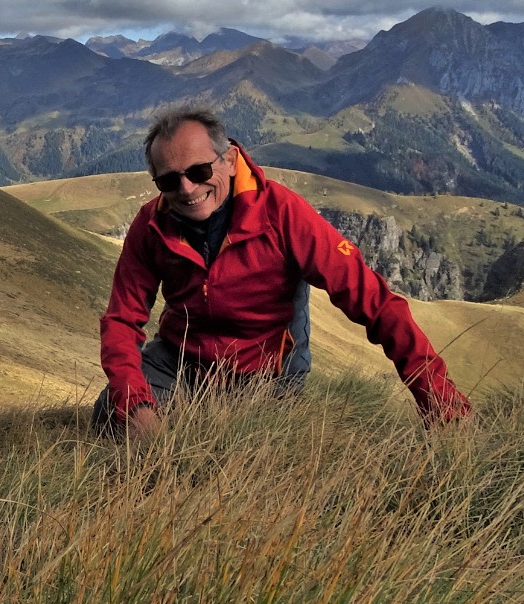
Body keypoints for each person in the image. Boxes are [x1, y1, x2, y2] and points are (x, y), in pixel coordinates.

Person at [93, 107, 472, 435]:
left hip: (267, 373)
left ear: (229, 159)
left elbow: (375, 304)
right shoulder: (151, 224)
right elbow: (122, 321)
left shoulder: (282, 214)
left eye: (199, 170)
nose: (187, 188)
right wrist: (136, 405)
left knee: (247, 450)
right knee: (113, 414)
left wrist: (441, 402)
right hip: (179, 362)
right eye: (169, 180)